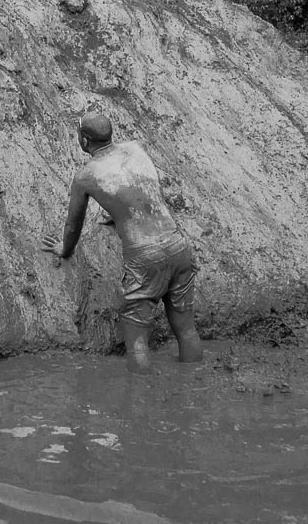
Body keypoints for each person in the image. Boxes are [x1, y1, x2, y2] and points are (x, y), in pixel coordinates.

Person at [40, 113, 202, 372]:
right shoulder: (136, 148)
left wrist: (64, 248)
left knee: (137, 341)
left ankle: (140, 403)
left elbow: (73, 225)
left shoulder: (85, 176)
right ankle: (193, 386)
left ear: (84, 141)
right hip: (177, 244)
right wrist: (119, 214)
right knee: (186, 330)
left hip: (144, 256)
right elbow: (140, 186)